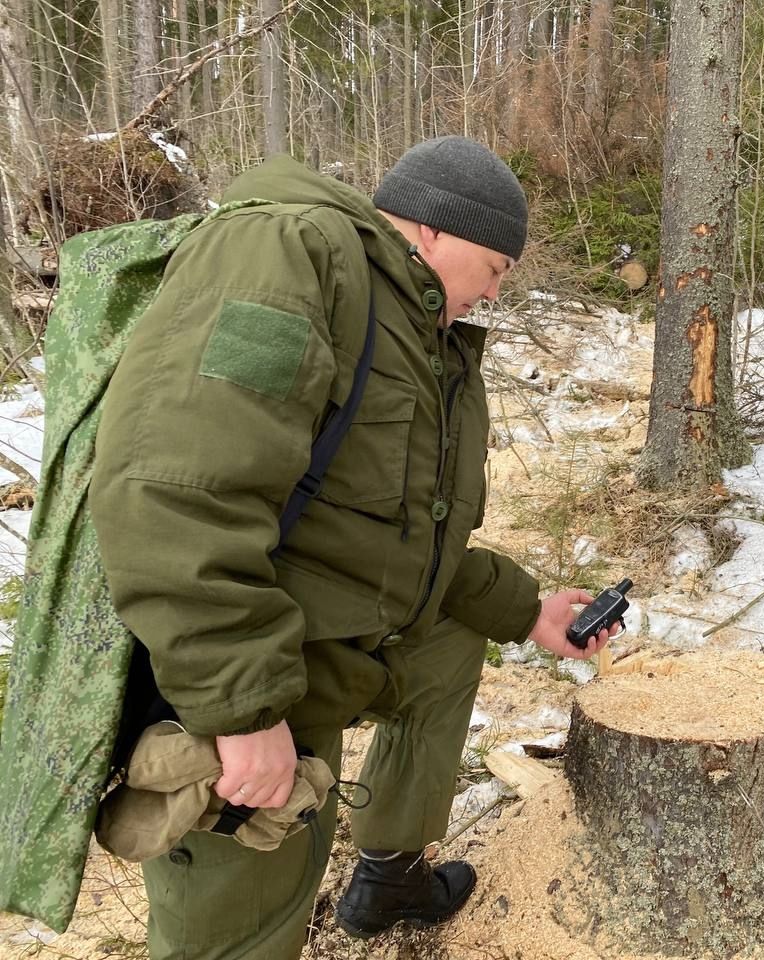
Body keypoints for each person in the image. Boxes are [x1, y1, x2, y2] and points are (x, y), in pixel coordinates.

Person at [87, 136, 617, 958]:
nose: (494, 292)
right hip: (243, 666)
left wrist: (530, 611)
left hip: (323, 639)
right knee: (248, 925)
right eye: (496, 267)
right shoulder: (290, 256)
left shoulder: (413, 326)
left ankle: (391, 873)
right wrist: (243, 708)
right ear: (436, 231)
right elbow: (174, 489)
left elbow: (400, 539)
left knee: (448, 643)